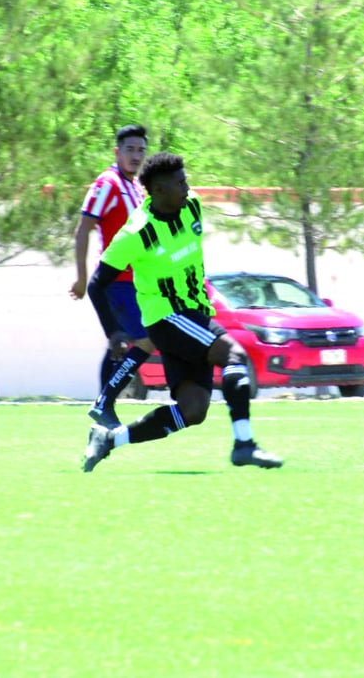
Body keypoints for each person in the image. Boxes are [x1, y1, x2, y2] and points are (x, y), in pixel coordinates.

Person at [82, 151, 283, 472]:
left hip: (195, 315)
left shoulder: (192, 205)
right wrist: (113, 331)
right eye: (180, 183)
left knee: (194, 410)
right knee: (234, 355)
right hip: (167, 317)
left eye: (186, 179)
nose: (187, 187)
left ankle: (109, 439)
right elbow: (97, 284)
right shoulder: (136, 233)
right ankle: (244, 444)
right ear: (158, 191)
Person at [70, 124, 154, 429]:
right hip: (115, 282)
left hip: (135, 283)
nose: (136, 156)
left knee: (119, 346)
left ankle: (104, 412)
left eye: (141, 150)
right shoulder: (107, 183)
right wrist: (81, 278)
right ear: (116, 152)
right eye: (130, 149)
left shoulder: (134, 185)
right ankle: (104, 403)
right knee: (146, 340)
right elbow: (84, 229)